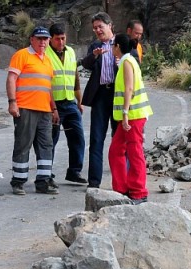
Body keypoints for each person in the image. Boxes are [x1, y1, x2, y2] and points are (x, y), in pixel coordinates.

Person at [6, 26, 59, 195]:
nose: (43, 42)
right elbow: (11, 79)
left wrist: (54, 108)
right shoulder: (22, 55)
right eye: (39, 39)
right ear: (32, 39)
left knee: (46, 146)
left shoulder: (48, 61)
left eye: (46, 39)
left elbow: (48, 88)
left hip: (44, 111)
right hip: (26, 108)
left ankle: (43, 183)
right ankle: (18, 182)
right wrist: (12, 102)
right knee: (23, 145)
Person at [108, 33, 153, 205]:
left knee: (134, 153)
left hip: (133, 116)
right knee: (116, 151)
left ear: (117, 46)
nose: (112, 48)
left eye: (113, 45)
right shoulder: (128, 60)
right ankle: (121, 189)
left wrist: (125, 114)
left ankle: (139, 192)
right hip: (131, 116)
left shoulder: (127, 62)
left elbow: (129, 89)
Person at [41, 23, 87, 185]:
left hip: (70, 103)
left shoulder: (71, 52)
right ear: (51, 39)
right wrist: (52, 108)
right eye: (57, 39)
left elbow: (74, 78)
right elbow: (45, 83)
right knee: (51, 140)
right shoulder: (45, 54)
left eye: (63, 38)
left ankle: (74, 171)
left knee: (78, 138)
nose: (61, 42)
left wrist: (79, 101)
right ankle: (47, 174)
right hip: (53, 104)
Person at [81, 12, 119, 189]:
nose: (97, 30)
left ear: (110, 25)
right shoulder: (95, 45)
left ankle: (121, 181)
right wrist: (94, 55)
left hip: (118, 96)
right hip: (100, 96)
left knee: (119, 139)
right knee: (96, 139)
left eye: (100, 27)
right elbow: (86, 64)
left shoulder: (122, 42)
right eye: (95, 28)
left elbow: (134, 62)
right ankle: (93, 183)